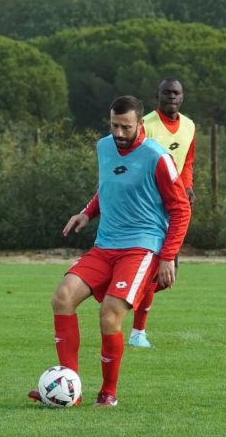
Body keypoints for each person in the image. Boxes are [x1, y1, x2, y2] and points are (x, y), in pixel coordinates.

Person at [28, 95, 191, 407]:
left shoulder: (157, 157)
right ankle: (70, 389)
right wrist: (87, 213)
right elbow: (107, 186)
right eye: (114, 125)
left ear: (140, 124)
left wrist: (168, 256)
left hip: (141, 248)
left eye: (125, 127)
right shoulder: (103, 147)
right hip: (105, 245)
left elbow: (181, 209)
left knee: (109, 314)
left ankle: (108, 394)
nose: (118, 132)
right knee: (62, 298)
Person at [130, 77, 196, 348]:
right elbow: (135, 162)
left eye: (176, 93)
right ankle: (138, 332)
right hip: (148, 208)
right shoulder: (146, 125)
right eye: (167, 92)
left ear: (182, 97)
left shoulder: (190, 126)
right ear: (158, 96)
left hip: (173, 207)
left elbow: (188, 161)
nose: (172, 97)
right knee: (156, 270)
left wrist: (187, 187)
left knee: (165, 278)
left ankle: (127, 292)